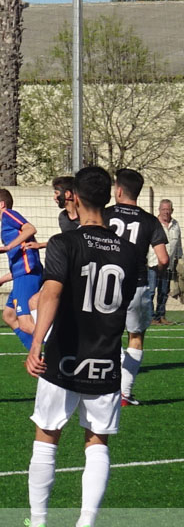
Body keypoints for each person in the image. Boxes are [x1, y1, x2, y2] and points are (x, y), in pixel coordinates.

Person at [22, 166, 141, 527]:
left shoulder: (64, 242)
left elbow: (52, 293)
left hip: (65, 356)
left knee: (47, 435)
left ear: (73, 196)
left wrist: (37, 340)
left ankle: (38, 525)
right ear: (109, 197)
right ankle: (86, 525)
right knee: (97, 441)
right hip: (105, 356)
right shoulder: (128, 250)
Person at [105, 168, 168, 406]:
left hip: (107, 284)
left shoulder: (105, 213)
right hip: (137, 284)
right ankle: (125, 393)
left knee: (108, 335)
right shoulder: (149, 220)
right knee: (136, 337)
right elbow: (163, 259)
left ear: (118, 190)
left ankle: (105, 387)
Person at [0, 190, 42, 351]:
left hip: (27, 276)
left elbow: (30, 229)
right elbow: (19, 262)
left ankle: (57, 347)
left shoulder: (9, 214)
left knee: (25, 322)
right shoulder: (6, 225)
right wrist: (1, 280)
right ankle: (36, 353)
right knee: (9, 316)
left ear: (1, 205)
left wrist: (8, 246)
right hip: (21, 275)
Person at [150, 199, 181, 325]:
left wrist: (179, 260)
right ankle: (150, 317)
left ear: (172, 210)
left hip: (168, 265)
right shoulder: (153, 223)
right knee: (151, 292)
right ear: (159, 210)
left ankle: (161, 316)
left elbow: (178, 244)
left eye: (168, 209)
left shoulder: (176, 224)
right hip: (153, 263)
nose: (166, 212)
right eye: (163, 209)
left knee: (164, 292)